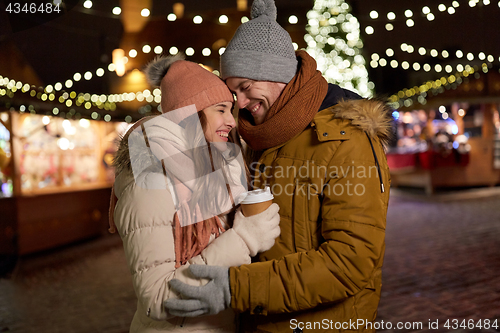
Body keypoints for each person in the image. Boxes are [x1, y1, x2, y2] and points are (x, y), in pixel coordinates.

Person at [164, 0, 393, 332]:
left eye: (245, 87)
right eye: (232, 91)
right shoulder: (260, 137)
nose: (239, 103)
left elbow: (350, 261)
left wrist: (237, 287)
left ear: (278, 74)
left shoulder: (348, 141)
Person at [109, 54, 281, 333]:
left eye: (230, 110)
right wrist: (245, 239)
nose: (232, 122)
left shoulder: (216, 171)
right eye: (221, 110)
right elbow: (157, 297)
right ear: (190, 114)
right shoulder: (151, 181)